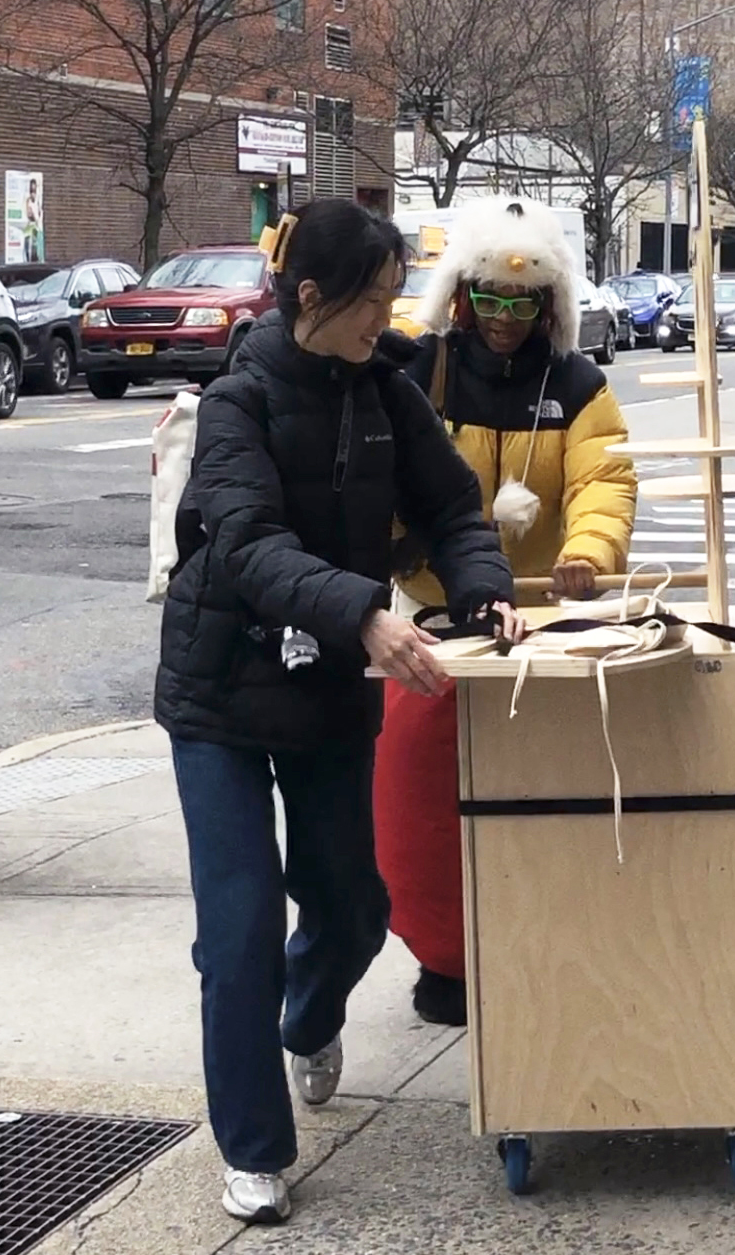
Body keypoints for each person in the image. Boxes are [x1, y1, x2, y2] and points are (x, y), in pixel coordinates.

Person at [154, 199, 521, 1225]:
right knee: (239, 931)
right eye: (372, 301)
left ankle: (308, 1020)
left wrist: (485, 591)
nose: (385, 319)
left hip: (323, 690)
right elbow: (249, 543)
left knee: (356, 904)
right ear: (310, 298)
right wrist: (367, 616)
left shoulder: (384, 389)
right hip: (222, 688)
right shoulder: (238, 401)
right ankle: (257, 1152)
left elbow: (451, 507)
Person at [373, 197, 638, 1028]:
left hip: (547, 618)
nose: (504, 320)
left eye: (522, 305)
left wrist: (587, 556)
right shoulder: (416, 372)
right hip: (434, 619)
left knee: (552, 786)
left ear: (547, 306)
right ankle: (444, 956)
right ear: (462, 299)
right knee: (419, 798)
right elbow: (381, 475)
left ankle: (554, 937)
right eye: (489, 300)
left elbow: (605, 477)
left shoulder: (578, 384)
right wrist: (406, 546)